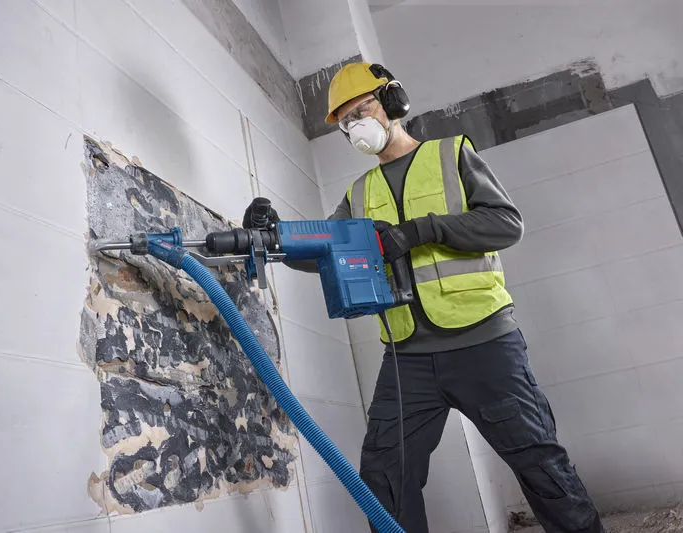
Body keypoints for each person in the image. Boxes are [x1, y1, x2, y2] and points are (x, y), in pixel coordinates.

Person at [242, 62, 604, 533]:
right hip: (407, 357)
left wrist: (422, 230)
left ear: (392, 103)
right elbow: (323, 251)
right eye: (346, 122)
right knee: (383, 476)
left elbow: (505, 223)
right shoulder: (360, 192)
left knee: (540, 463)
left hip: (484, 343)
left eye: (361, 111)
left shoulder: (450, 155)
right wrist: (274, 239)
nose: (355, 126)